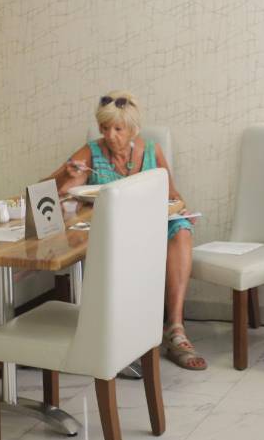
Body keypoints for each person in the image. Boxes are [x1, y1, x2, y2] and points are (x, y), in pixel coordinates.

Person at [49, 91, 206, 371]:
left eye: (117, 129)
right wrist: (66, 175)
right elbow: (49, 191)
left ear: (133, 129)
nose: (109, 135)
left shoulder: (152, 151)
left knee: (181, 231)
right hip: (110, 231)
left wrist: (181, 209)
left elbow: (173, 194)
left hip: (149, 227)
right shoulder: (91, 151)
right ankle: (115, 335)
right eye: (104, 127)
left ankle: (175, 328)